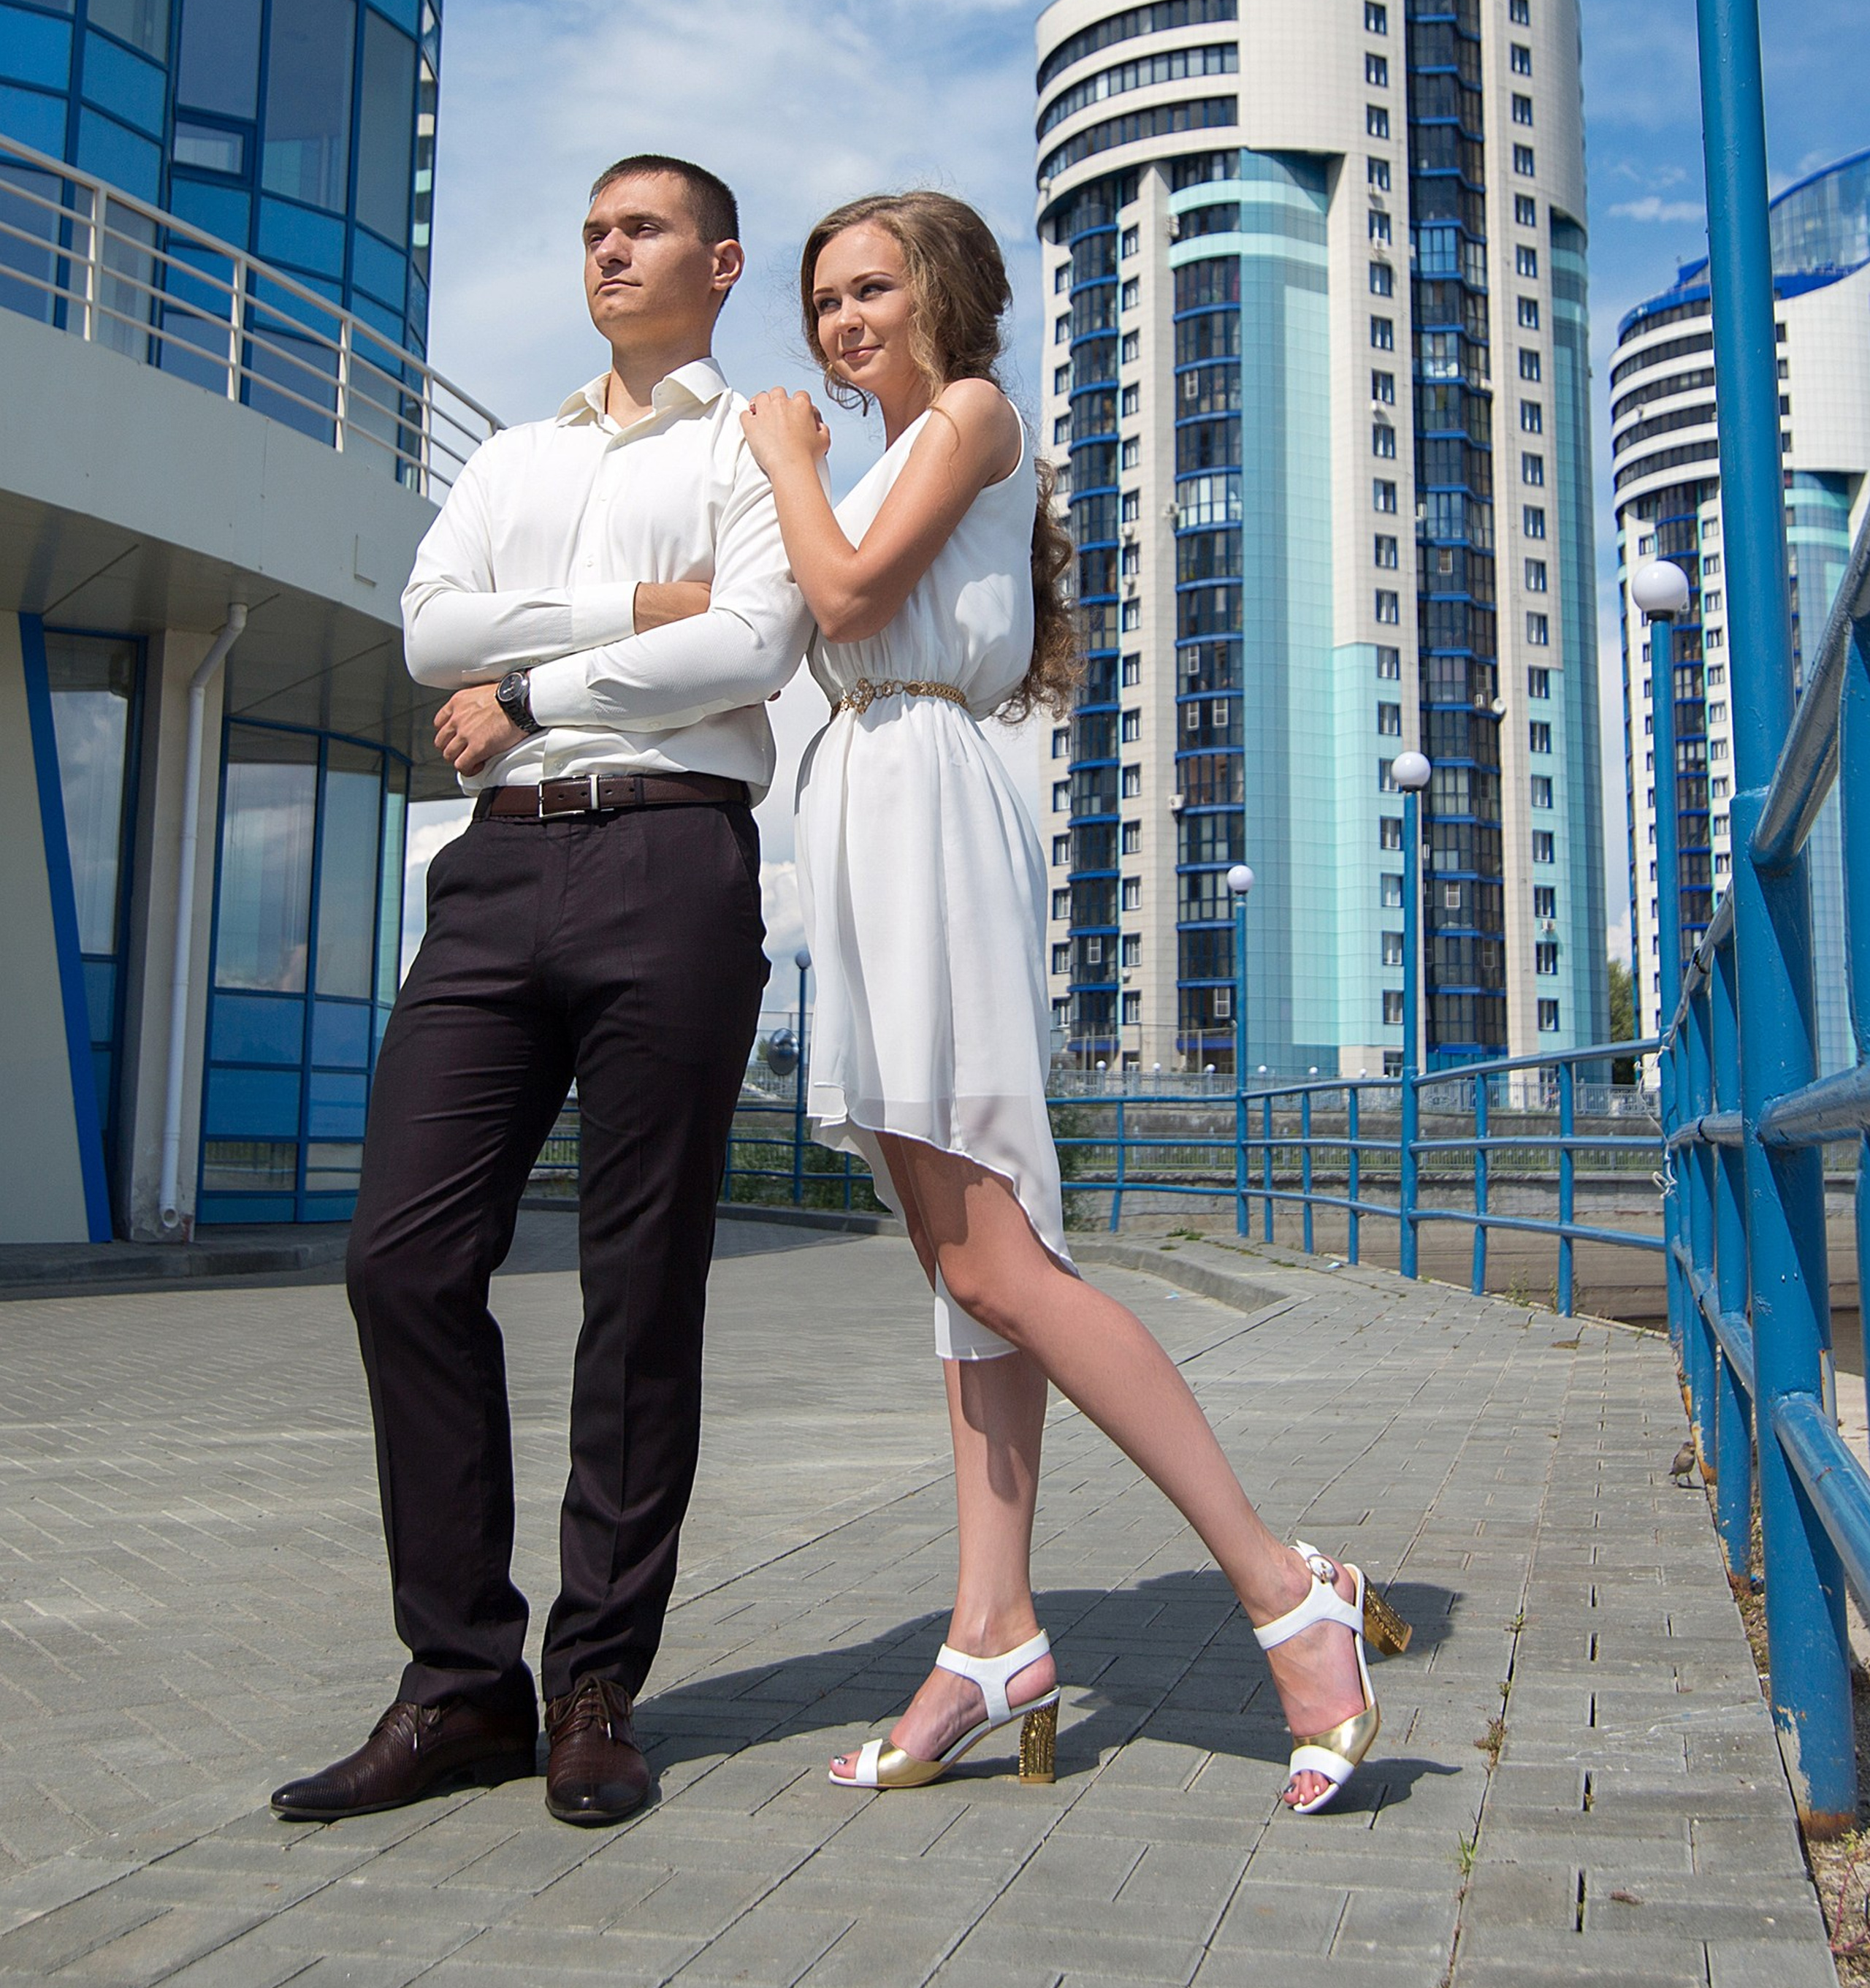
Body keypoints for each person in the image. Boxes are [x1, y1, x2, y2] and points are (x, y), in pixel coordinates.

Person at [740, 191, 1410, 1814]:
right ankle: (992, 1632)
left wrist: (784, 462)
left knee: (999, 1256)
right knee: (960, 1269)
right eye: (823, 300)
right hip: (868, 810)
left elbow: (843, 599)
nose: (840, 322)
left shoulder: (971, 416)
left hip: (928, 812)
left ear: (942, 292)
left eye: (870, 287)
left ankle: (1281, 1590)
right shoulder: (882, 461)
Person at [272, 155, 807, 1828]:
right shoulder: (511, 455)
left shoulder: (755, 444)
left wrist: (532, 686)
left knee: (638, 1286)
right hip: (495, 873)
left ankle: (592, 1690)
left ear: (720, 262)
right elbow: (429, 630)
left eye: (641, 229)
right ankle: (457, 1687)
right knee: (400, 1259)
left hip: (674, 854)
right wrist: (618, 619)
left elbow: (752, 644)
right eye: (590, 232)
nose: (607, 251)